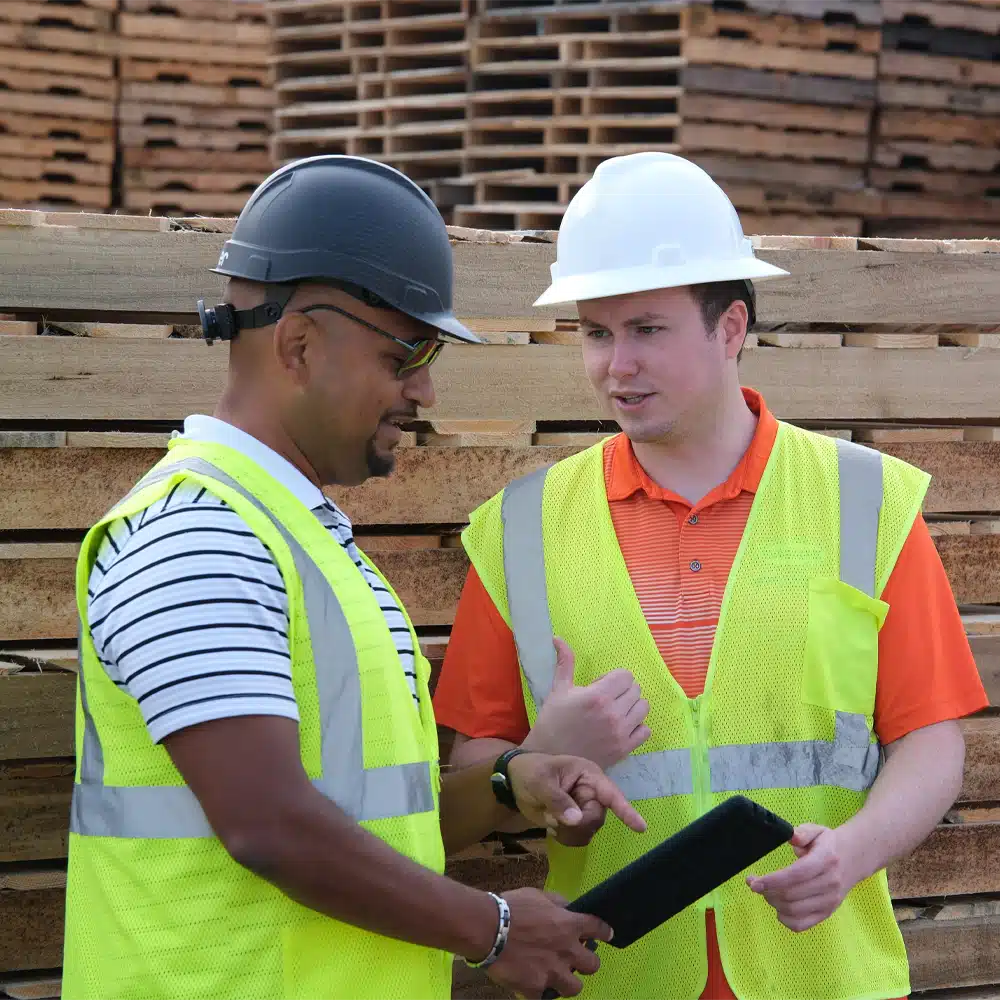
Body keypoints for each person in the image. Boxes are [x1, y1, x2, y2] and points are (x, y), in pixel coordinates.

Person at [62, 155, 648, 1000]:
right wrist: (495, 930)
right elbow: (270, 827)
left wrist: (502, 784)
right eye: (407, 353)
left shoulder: (303, 541)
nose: (426, 389)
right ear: (299, 343)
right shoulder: (198, 537)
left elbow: (371, 831)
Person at [433, 151, 989, 1000]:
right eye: (595, 332)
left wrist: (853, 853)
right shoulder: (521, 531)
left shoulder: (860, 502)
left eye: (647, 330)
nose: (616, 365)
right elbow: (479, 762)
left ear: (730, 328)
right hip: (621, 978)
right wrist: (545, 765)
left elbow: (931, 739)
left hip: (822, 975)